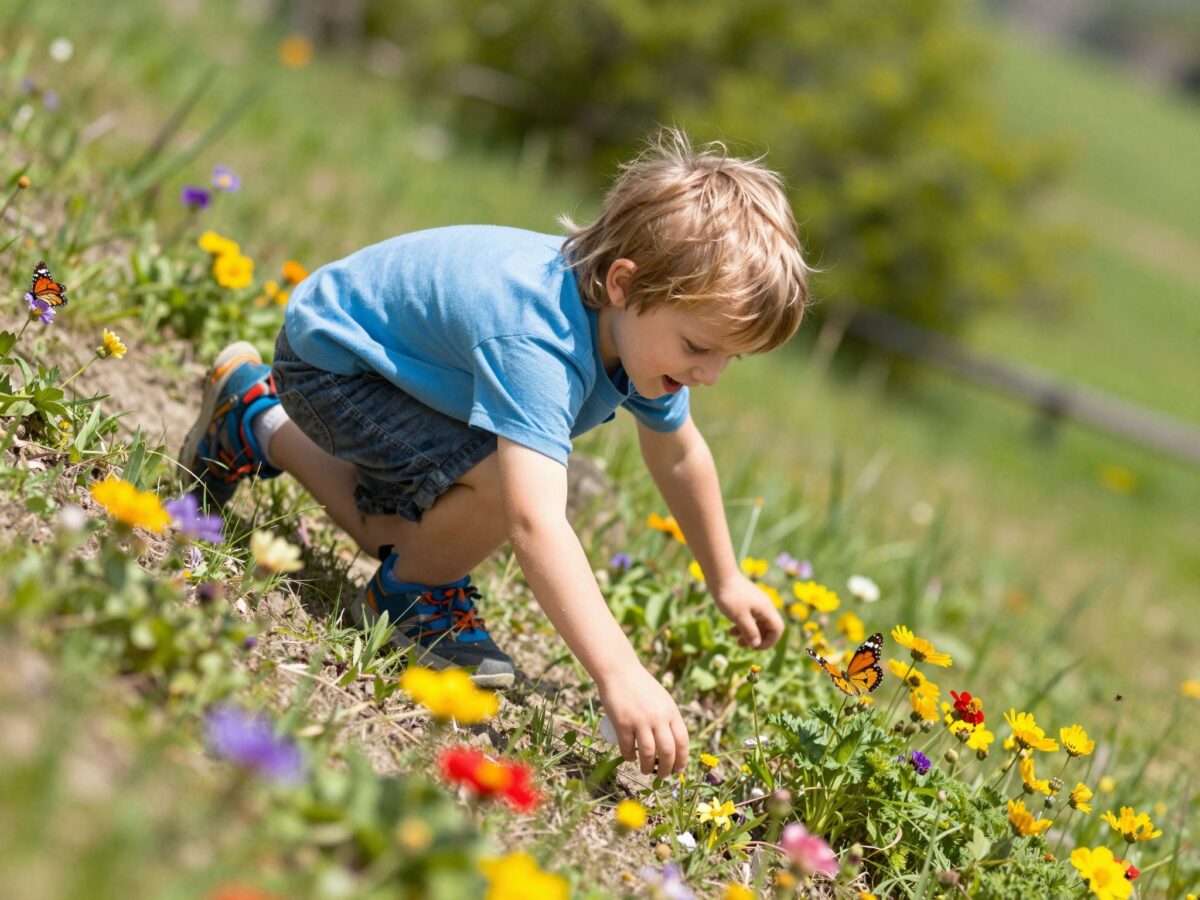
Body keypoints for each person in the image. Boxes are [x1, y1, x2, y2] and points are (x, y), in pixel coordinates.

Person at [180, 129, 810, 777]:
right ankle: (405, 596)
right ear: (625, 284)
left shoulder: (635, 334)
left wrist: (726, 576)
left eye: (729, 357)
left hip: (402, 378)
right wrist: (620, 672)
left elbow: (678, 455)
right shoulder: (539, 338)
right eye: (699, 348)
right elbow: (534, 520)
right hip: (336, 370)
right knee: (489, 501)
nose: (711, 375)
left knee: (416, 530)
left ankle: (253, 416)